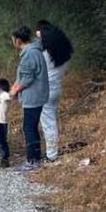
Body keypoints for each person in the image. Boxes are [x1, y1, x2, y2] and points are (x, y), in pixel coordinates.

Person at [10, 26, 49, 172]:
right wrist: (14, 88)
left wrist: (14, 92)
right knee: (31, 126)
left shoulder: (29, 54)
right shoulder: (34, 51)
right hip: (37, 95)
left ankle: (32, 161)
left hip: (33, 96)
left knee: (29, 127)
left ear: (18, 40)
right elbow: (23, 76)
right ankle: (35, 159)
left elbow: (27, 78)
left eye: (13, 40)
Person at [35, 20, 74, 162]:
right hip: (56, 88)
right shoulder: (64, 56)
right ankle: (52, 151)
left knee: (48, 123)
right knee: (52, 120)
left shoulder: (44, 55)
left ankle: (51, 155)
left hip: (45, 90)